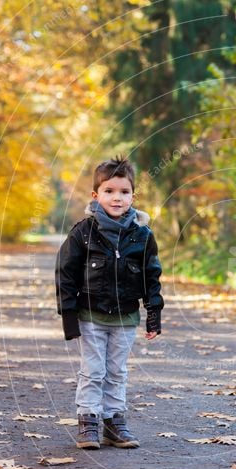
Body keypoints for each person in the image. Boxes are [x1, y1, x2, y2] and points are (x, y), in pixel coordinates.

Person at [55, 156, 163, 450]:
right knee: (92, 370)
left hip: (126, 318)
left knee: (117, 371)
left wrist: (154, 312)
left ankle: (114, 422)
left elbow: (151, 275)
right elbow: (65, 274)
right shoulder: (83, 233)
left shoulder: (142, 235)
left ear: (133, 196)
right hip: (90, 315)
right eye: (109, 191)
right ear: (96, 195)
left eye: (124, 192)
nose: (117, 198)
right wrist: (68, 316)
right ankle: (88, 420)